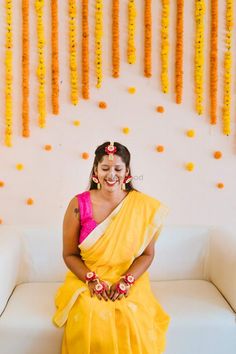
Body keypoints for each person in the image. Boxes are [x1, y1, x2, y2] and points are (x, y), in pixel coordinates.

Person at [52, 141, 171, 354]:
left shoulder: (144, 207)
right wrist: (91, 280)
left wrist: (127, 281)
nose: (111, 175)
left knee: (130, 312)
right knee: (91, 311)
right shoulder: (78, 205)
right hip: (87, 276)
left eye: (118, 169)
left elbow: (147, 254)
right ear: (95, 171)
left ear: (127, 172)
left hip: (129, 276)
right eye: (105, 168)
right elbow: (69, 254)